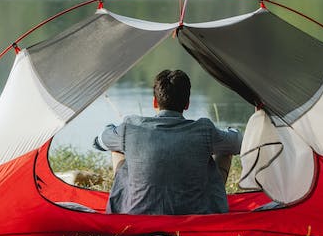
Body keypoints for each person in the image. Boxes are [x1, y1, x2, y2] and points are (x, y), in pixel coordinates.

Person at [93, 69, 242, 215]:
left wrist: (115, 129)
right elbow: (239, 144)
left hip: (136, 214)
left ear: (155, 102)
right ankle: (214, 208)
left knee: (116, 148)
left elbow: (99, 142)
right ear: (187, 104)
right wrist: (231, 131)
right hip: (196, 214)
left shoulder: (130, 126)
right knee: (225, 150)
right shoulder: (204, 130)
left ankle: (121, 205)